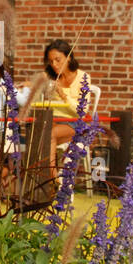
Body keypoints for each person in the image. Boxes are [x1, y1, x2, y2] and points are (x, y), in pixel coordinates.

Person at [29, 39, 97, 175]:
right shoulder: (50, 77)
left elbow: (82, 112)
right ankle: (41, 181)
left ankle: (53, 181)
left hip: (74, 123)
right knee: (37, 136)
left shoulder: (83, 77)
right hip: (53, 121)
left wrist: (63, 95)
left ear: (69, 57)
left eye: (58, 60)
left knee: (48, 135)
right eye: (51, 61)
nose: (54, 64)